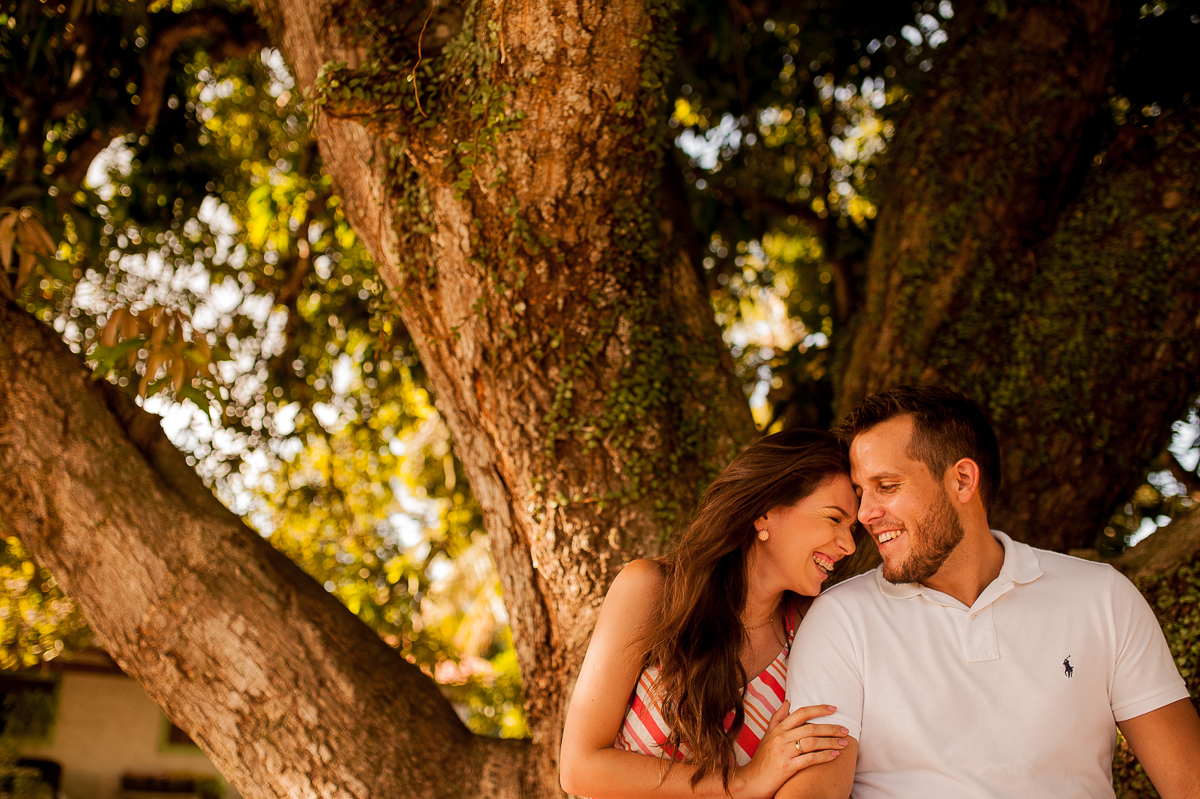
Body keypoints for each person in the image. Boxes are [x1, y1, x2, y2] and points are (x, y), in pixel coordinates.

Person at [779, 385, 1200, 799]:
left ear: (963, 480)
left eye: (886, 486)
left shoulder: (1102, 597)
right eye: (860, 493)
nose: (865, 513)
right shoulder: (840, 620)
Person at [560, 429, 860, 799]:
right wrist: (743, 781)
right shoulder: (653, 591)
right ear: (765, 512)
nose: (849, 545)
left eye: (852, 529)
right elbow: (579, 768)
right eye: (834, 519)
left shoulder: (812, 634)